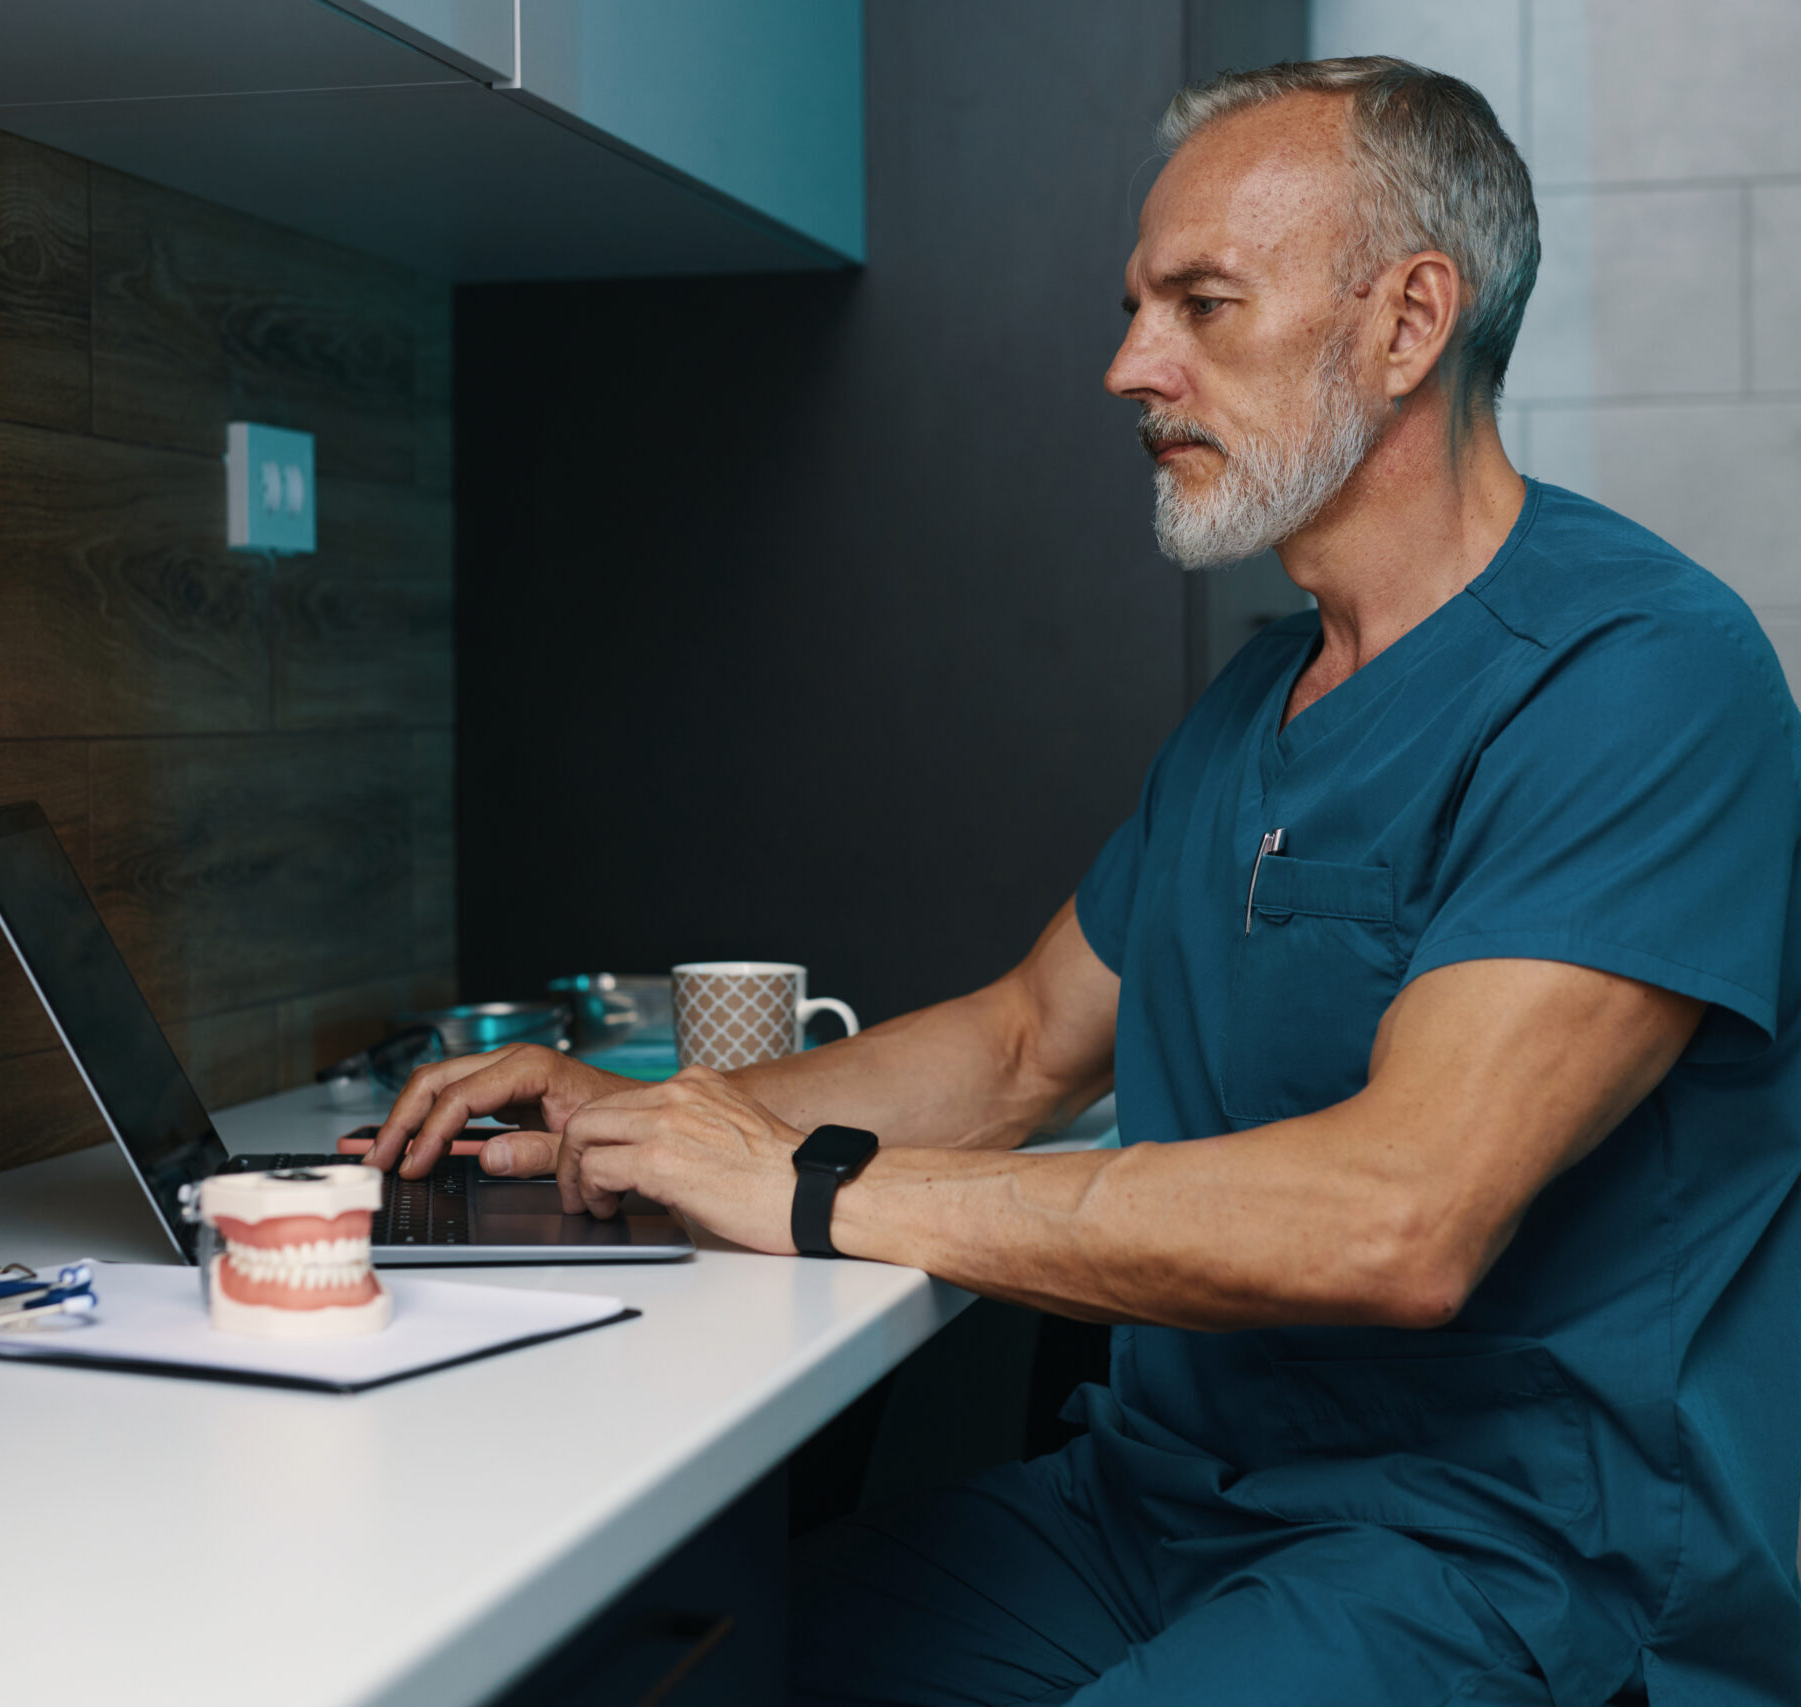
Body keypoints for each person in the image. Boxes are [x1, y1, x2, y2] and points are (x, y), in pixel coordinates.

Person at [364, 56, 1801, 1705]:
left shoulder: (1637, 677)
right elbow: (1023, 1048)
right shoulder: (1256, 703)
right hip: (1157, 1510)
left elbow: (1399, 1219)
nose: (1129, 367)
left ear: (1407, 325)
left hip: (1499, 1557)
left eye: (1200, 303)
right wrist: (651, 1123)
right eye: (1135, 306)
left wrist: (811, 1190)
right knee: (666, 1671)